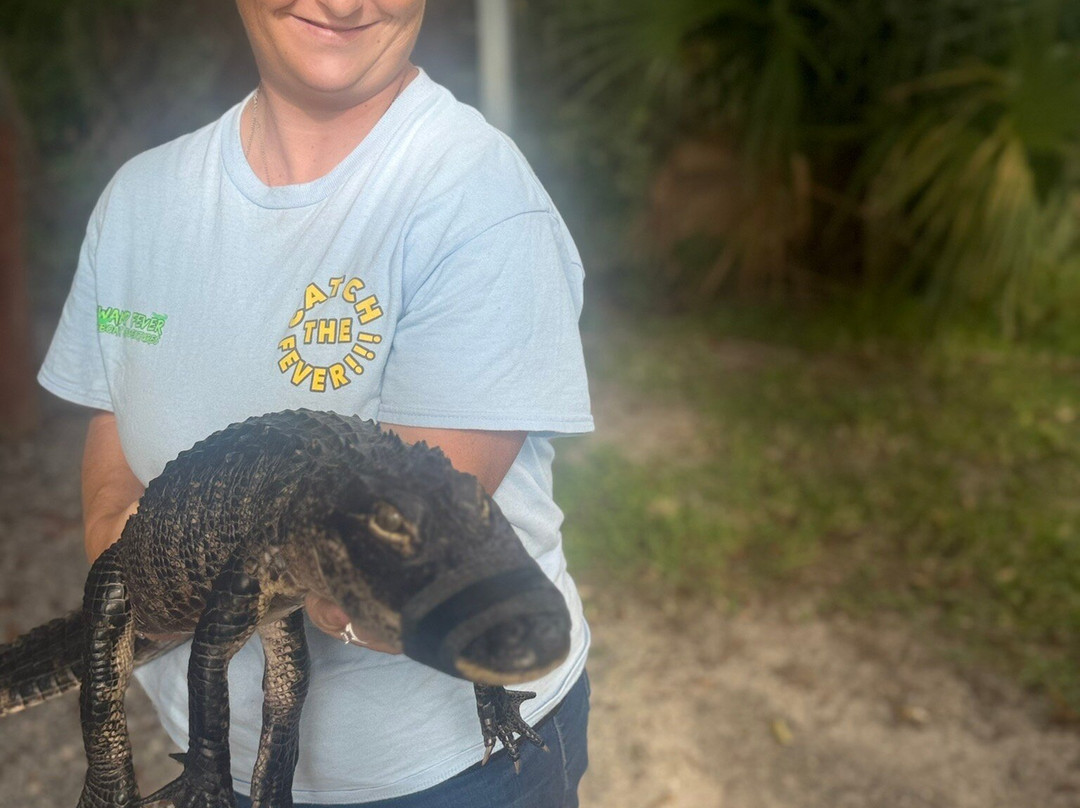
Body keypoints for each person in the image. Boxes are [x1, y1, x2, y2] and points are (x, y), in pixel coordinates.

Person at [37, 1, 594, 806]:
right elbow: (111, 444)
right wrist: (129, 575)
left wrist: (186, 577)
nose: (345, 3)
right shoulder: (136, 200)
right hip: (214, 767)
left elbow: (406, 562)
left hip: (447, 776)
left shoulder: (481, 197)